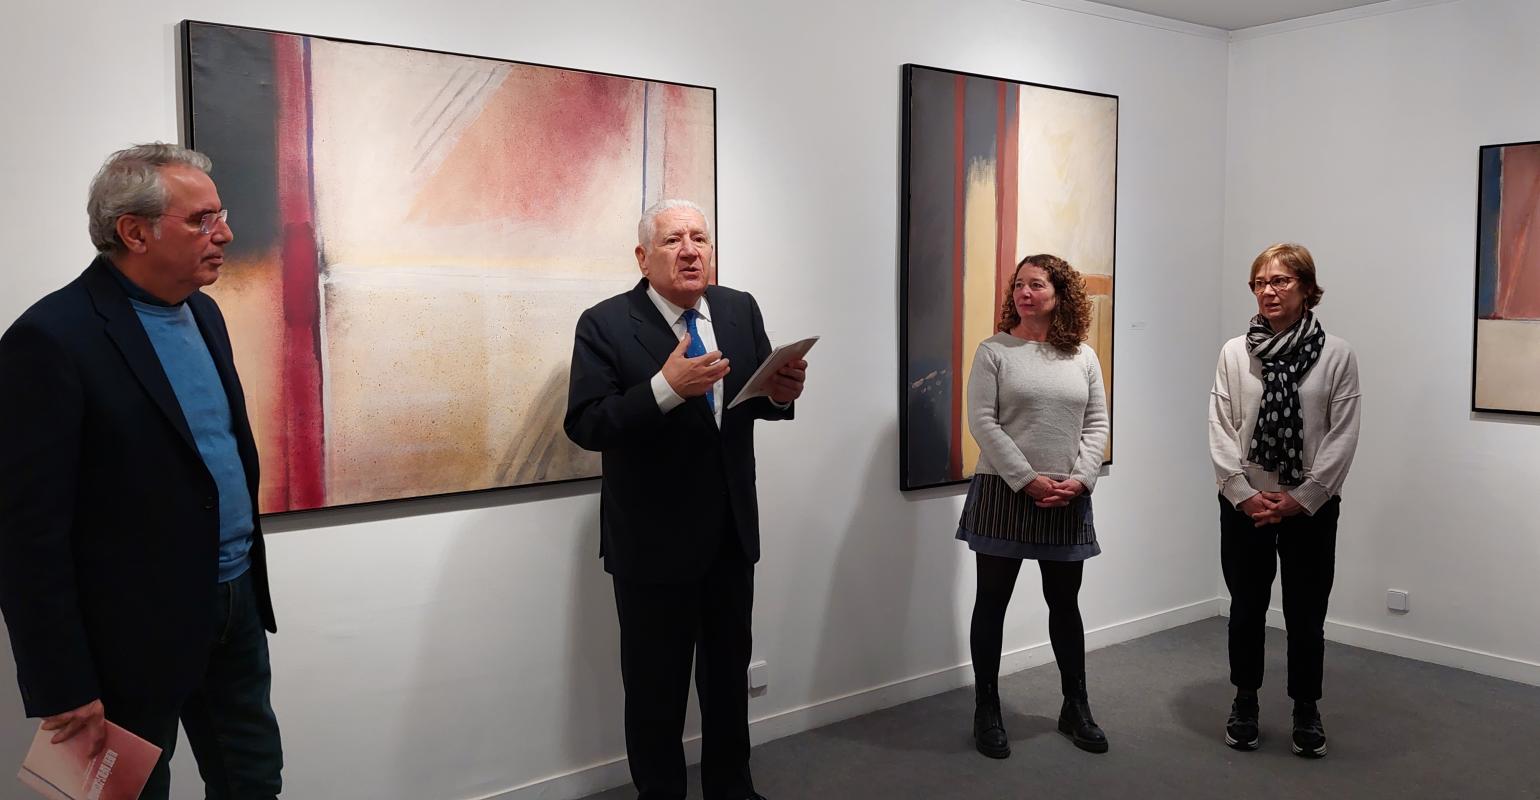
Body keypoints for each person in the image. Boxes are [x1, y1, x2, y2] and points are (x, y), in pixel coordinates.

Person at [0, 144, 282, 798]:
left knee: (253, 782)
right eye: (202, 220)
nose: (225, 234)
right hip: (121, 633)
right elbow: (25, 534)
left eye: (221, 215)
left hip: (233, 604)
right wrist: (61, 682)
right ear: (134, 232)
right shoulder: (50, 339)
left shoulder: (204, 312)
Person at [564, 199, 807, 800]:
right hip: (652, 545)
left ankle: (733, 789)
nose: (691, 251)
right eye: (674, 240)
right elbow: (587, 424)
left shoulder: (738, 308)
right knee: (656, 694)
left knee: (727, 682)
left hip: (730, 536)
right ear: (643, 257)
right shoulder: (605, 323)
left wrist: (782, 391)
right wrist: (664, 389)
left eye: (700, 238)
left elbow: (751, 403)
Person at [1209, 242, 1360, 758]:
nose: (1268, 291)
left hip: (1310, 508)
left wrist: (1304, 496)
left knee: (1306, 613)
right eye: (1260, 282)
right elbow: (1220, 426)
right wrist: (1242, 493)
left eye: (1280, 281)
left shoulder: (1336, 354)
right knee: (1246, 608)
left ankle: (1306, 707)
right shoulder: (1235, 352)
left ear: (1306, 288)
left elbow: (1342, 433)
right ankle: (1245, 700)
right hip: (1246, 506)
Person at [957, 254, 1111, 759]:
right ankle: (987, 709)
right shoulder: (994, 351)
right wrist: (1027, 480)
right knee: (992, 603)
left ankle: (1075, 706)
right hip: (1003, 493)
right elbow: (983, 422)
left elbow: (1097, 424)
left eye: (1037, 284)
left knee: (1065, 604)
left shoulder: (1082, 357)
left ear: (1060, 294)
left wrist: (1081, 479)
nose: (1025, 292)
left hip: (1067, 495)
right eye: (1019, 285)